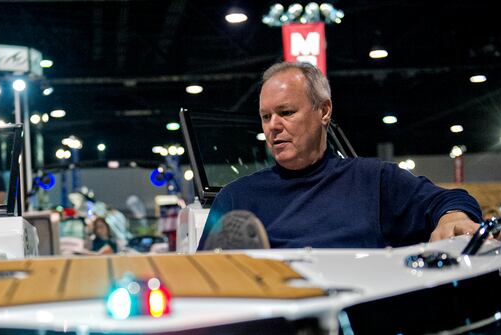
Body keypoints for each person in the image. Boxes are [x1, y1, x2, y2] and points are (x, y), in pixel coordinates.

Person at [198, 61, 482, 250]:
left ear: (324, 111)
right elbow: (205, 277)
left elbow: (451, 200)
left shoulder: (372, 181)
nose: (273, 125)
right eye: (265, 116)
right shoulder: (235, 199)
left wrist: (451, 218)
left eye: (286, 112)